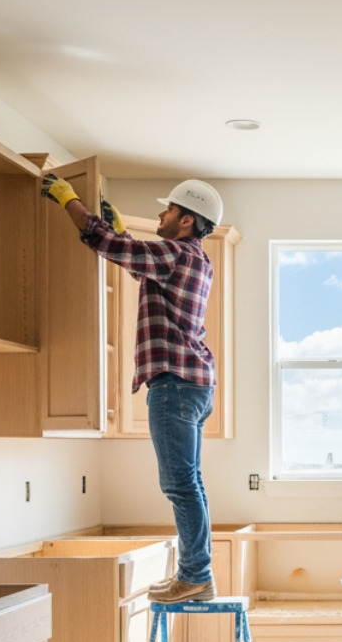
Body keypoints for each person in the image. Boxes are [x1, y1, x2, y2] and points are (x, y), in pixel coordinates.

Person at [41, 174, 224, 603]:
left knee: (181, 486)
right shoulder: (194, 259)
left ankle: (196, 577)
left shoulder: (175, 254)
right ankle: (195, 574)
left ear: (186, 220)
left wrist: (68, 200)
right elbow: (136, 261)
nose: (161, 214)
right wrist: (122, 232)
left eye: (169, 209)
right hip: (194, 384)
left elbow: (107, 244)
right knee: (190, 484)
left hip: (174, 384)